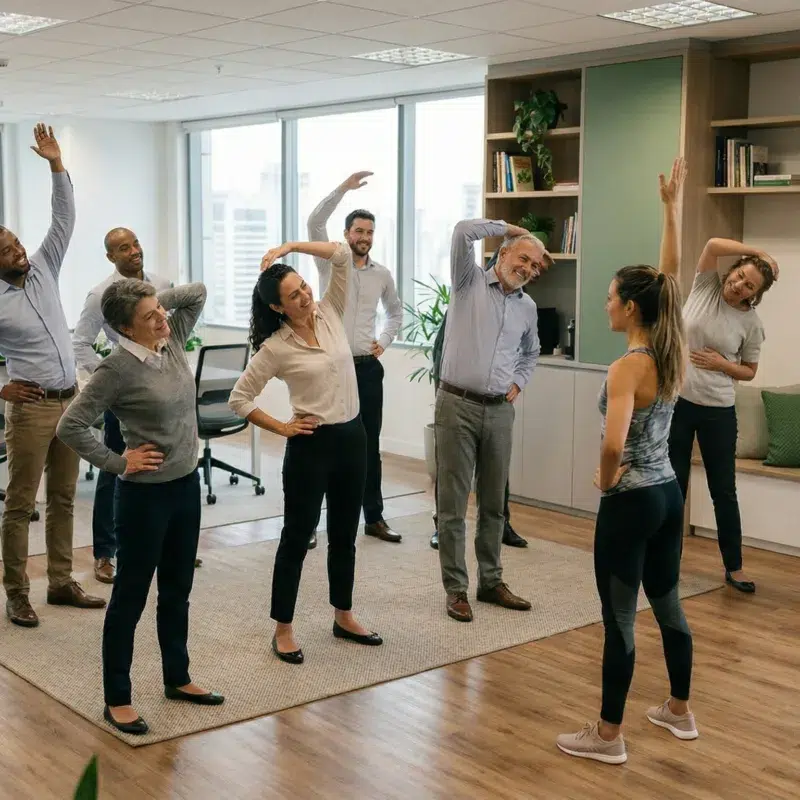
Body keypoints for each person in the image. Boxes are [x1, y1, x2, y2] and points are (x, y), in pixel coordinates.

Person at [557, 157, 697, 765]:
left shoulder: (626, 368)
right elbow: (668, 280)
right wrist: (671, 210)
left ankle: (609, 736)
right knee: (668, 605)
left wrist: (604, 476)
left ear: (631, 309)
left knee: (619, 619)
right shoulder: (671, 351)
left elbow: (613, 444)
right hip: (667, 493)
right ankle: (679, 710)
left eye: (612, 297)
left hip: (631, 501)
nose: (607, 304)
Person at [57, 279, 223, 736]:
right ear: (125, 329)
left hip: (185, 487)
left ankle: (178, 677)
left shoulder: (171, 339)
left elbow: (197, 292)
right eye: (149, 317)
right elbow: (70, 425)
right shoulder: (116, 369)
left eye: (159, 311)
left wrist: (151, 304)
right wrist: (118, 461)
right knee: (130, 597)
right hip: (143, 498)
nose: (162, 318)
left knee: (177, 589)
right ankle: (117, 698)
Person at [229, 239, 382, 664]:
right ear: (278, 308)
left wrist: (290, 247)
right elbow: (239, 398)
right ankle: (283, 629)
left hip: (353, 438)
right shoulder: (275, 347)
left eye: (303, 287)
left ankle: (344, 615)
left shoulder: (330, 311)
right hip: (311, 447)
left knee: (344, 534)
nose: (305, 295)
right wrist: (282, 427)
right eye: (294, 295)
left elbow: (340, 255)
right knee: (297, 537)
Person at [0, 123, 105, 628]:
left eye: (17, 244)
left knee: (64, 497)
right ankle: (17, 593)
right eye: (8, 251)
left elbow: (64, 218)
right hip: (32, 410)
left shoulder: (43, 266)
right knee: (21, 504)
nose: (20, 252)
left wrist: (56, 165)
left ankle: (60, 582)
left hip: (71, 403)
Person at [436, 218, 551, 623]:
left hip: (500, 410)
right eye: (524, 259)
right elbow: (462, 231)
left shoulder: (527, 307)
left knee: (493, 504)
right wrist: (508, 226)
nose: (528, 269)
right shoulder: (467, 281)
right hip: (456, 404)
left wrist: (519, 382)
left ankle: (490, 582)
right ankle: (456, 589)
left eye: (535, 265)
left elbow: (531, 352)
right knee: (452, 505)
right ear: (503, 253)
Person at [668, 233, 776, 594]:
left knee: (723, 491)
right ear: (732, 271)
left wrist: (721, 364)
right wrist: (757, 251)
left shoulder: (751, 324)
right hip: (678, 404)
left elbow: (749, 371)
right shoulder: (706, 286)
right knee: (673, 487)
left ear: (754, 294)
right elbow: (712, 245)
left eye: (749, 286)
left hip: (718, 411)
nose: (740, 285)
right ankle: (667, 562)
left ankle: (735, 566)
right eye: (740, 275)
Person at [306, 171, 403, 548]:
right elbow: (315, 221)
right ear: (347, 234)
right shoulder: (331, 264)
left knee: (368, 444)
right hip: (331, 368)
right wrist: (343, 188)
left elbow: (395, 312)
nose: (364, 237)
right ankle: (310, 524)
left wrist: (384, 341)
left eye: (369, 232)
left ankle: (373, 517)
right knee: (323, 445)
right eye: (358, 231)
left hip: (366, 368)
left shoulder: (382, 275)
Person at [72, 228, 171, 584]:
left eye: (136, 243)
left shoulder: (162, 285)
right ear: (111, 256)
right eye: (123, 248)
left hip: (162, 388)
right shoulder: (101, 294)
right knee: (116, 467)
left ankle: (166, 545)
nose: (133, 251)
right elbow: (80, 343)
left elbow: (171, 331)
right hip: (126, 395)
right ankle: (105, 552)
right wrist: (110, 377)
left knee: (164, 464)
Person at [429, 250, 527, 551]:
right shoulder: (469, 297)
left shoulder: (519, 304)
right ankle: (441, 525)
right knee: (451, 471)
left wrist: (516, 381)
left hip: (496, 402)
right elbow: (441, 350)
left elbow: (525, 349)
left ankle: (502, 523)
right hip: (457, 400)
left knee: (496, 470)